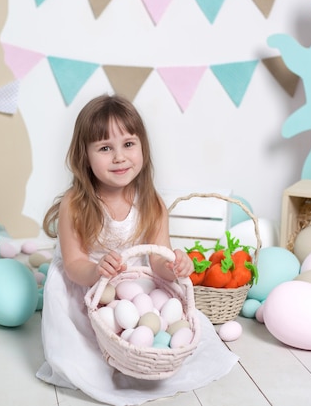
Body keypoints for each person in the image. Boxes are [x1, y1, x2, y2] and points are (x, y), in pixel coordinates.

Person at [36, 94, 239, 405]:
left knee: (160, 320)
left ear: (142, 147)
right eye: (105, 148)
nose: (119, 157)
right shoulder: (75, 204)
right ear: (84, 156)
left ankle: (144, 353)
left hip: (134, 283)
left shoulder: (152, 202)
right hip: (87, 285)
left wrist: (172, 266)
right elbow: (74, 262)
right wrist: (96, 270)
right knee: (87, 353)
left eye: (128, 144)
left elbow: (157, 257)